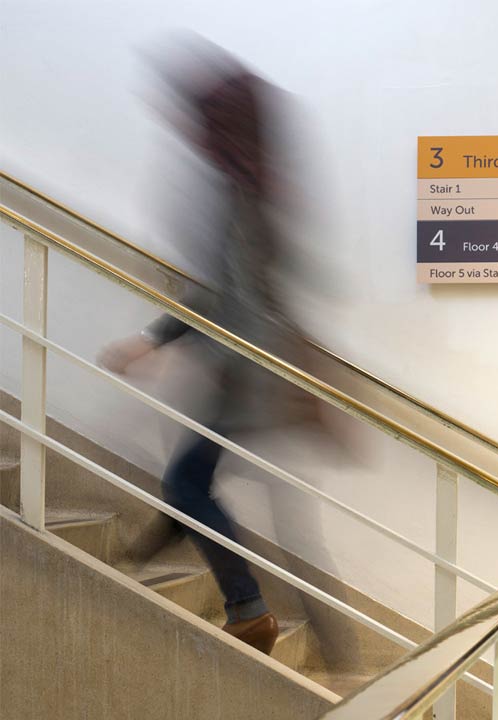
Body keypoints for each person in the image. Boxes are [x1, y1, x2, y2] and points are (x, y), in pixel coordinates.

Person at [99, 41, 311, 656]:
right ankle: (147, 552)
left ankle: (248, 611)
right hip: (253, 362)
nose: (184, 124)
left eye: (195, 114)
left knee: (189, 482)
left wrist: (150, 340)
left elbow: (224, 297)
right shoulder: (261, 187)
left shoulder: (236, 194)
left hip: (243, 366)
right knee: (192, 477)